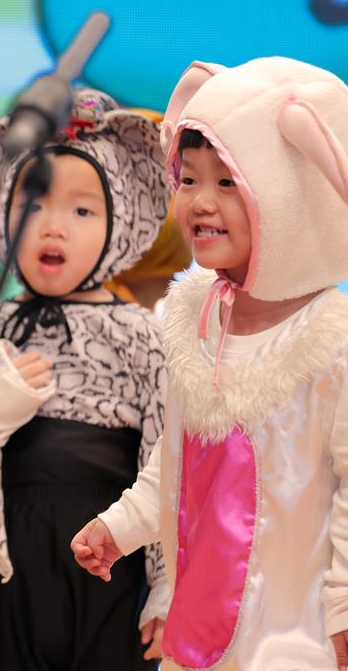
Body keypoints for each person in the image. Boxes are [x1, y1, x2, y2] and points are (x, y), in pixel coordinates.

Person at [72, 57, 348, 670]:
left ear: (296, 196)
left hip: (297, 641)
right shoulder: (196, 317)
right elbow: (179, 459)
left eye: (228, 182)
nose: (199, 201)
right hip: (199, 638)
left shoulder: (333, 340)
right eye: (189, 178)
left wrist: (343, 606)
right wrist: (121, 525)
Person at [0, 88, 170, 669]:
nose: (53, 227)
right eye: (33, 206)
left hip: (112, 565)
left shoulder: (145, 335)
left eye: (82, 211)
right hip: (4, 567)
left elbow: (168, 464)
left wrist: (166, 584)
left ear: (122, 221)